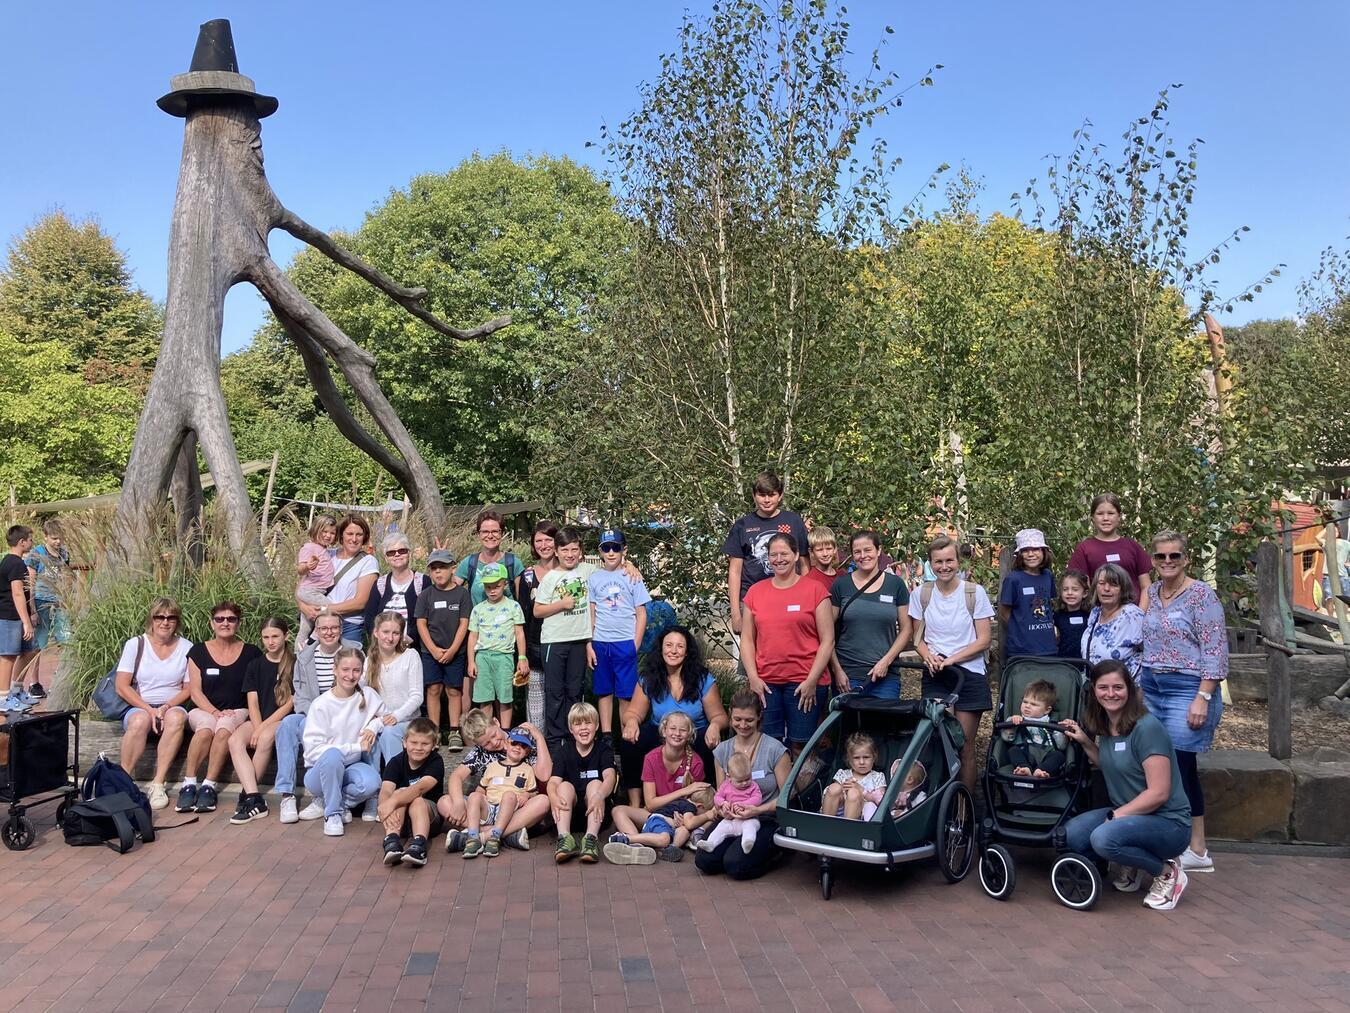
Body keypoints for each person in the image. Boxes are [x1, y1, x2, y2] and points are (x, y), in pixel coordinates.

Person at [1061, 660, 1194, 911]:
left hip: (1169, 823)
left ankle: (1167, 873)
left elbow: (1159, 792)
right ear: (1094, 690)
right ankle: (1133, 862)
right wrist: (1085, 742)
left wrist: (1116, 816)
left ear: (1129, 690)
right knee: (1071, 835)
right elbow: (1114, 765)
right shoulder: (1106, 724)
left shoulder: (1147, 728)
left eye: (1118, 687)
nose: (1111, 694)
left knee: (1103, 839)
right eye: (1103, 687)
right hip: (1132, 817)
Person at [1139, 530, 1227, 875]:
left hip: (1187, 687)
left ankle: (1198, 847)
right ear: (1153, 560)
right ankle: (1164, 838)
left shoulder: (1202, 595)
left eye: (1174, 555)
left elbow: (1215, 649)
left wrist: (1203, 696)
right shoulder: (1152, 592)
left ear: (1186, 558)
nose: (1167, 562)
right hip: (1152, 685)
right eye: (1161, 556)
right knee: (1154, 763)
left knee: (1181, 765)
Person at [908, 534, 995, 794]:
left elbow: (984, 640)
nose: (944, 567)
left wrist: (952, 659)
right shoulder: (922, 594)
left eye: (949, 561)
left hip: (968, 673)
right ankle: (937, 799)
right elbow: (917, 638)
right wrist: (928, 656)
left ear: (958, 561)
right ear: (930, 564)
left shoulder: (973, 593)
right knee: (939, 738)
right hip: (937, 675)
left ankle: (965, 804)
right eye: (938, 562)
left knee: (964, 744)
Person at [741, 532, 834, 755]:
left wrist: (812, 680)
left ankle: (805, 779)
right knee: (769, 746)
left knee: (802, 746)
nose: (779, 559)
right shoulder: (755, 592)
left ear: (795, 555)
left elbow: (828, 640)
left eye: (784, 554)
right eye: (773, 555)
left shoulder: (815, 590)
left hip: (805, 681)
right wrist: (753, 678)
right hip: (767, 683)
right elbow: (747, 640)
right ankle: (777, 780)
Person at [618, 627, 728, 806]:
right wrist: (631, 722)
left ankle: (707, 801)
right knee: (630, 741)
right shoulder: (649, 678)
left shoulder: (703, 679)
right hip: (662, 735)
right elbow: (633, 713)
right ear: (661, 648)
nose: (673, 651)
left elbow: (720, 716)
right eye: (669, 645)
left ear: (687, 652)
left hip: (694, 735)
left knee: (708, 740)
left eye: (679, 646)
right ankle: (635, 803)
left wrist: (715, 725)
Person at [695, 690, 793, 881]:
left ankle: (777, 853)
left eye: (749, 720)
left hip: (765, 817)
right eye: (737, 719)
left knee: (736, 865)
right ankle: (735, 852)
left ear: (759, 717)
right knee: (705, 860)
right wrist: (723, 808)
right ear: (730, 715)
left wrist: (757, 810)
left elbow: (787, 797)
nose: (742, 725)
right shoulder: (722, 751)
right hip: (732, 818)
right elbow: (722, 792)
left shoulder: (775, 749)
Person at [177, 601, 262, 814]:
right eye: (220, 619)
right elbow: (195, 692)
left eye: (231, 619)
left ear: (238, 623)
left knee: (224, 727)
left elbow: (254, 690)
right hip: (204, 709)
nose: (225, 623)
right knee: (205, 728)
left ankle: (209, 785)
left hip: (237, 709)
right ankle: (189, 783)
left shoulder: (251, 653)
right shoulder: (198, 651)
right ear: (212, 623)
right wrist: (214, 711)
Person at [275, 613, 360, 823]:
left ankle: (321, 796)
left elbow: (361, 688)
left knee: (309, 728)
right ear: (316, 631)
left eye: (334, 627)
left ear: (341, 629)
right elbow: (300, 696)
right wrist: (317, 716)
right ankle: (287, 795)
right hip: (312, 713)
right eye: (323, 628)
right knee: (288, 724)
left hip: (344, 714)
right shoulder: (305, 657)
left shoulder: (354, 652)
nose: (329, 632)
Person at [115, 598, 193, 810]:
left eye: (171, 618)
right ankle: (124, 780)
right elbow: (121, 685)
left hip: (171, 704)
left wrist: (165, 707)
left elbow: (189, 688)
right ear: (152, 619)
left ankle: (158, 783)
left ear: (177, 621)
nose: (165, 622)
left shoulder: (187, 647)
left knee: (176, 718)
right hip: (140, 704)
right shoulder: (136, 644)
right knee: (139, 721)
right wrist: (149, 710)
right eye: (160, 617)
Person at [440, 708, 552, 853]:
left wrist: (539, 738)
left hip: (516, 808)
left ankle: (480, 837)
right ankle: (505, 834)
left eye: (493, 735)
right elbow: (456, 776)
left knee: (543, 802)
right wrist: (458, 803)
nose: (494, 743)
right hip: (488, 808)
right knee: (444, 802)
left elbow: (544, 775)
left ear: (496, 722)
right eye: (486, 743)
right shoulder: (480, 752)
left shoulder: (519, 741)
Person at [299, 647, 385, 837]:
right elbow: (312, 752)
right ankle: (332, 814)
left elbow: (386, 717)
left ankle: (332, 801)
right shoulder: (321, 704)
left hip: (351, 767)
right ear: (335, 669)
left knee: (372, 783)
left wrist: (374, 725)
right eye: (345, 669)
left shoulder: (367, 695)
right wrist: (355, 747)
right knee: (332, 755)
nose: (350, 675)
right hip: (320, 772)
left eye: (356, 670)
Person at [605, 711, 711, 865]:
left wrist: (683, 816)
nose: (677, 733)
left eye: (682, 730)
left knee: (687, 827)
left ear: (689, 735)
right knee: (618, 810)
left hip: (679, 818)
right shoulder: (651, 758)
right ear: (664, 731)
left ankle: (635, 841)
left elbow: (696, 803)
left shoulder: (696, 762)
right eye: (672, 728)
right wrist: (684, 791)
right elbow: (650, 804)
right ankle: (636, 845)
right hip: (654, 813)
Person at [724, 470, 811, 641]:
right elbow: (734, 571)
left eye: (771, 495)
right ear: (753, 495)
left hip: (790, 598)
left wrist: (806, 598)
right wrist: (735, 613)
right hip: (751, 602)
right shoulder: (742, 525)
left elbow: (805, 563)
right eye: (761, 495)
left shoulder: (794, 521)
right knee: (751, 652)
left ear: (780, 495)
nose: (766, 500)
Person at [227, 616, 296, 824]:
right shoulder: (255, 665)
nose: (270, 642)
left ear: (286, 636)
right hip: (259, 719)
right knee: (234, 740)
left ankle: (248, 797)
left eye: (275, 636)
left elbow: (290, 703)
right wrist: (257, 727)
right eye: (266, 637)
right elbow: (253, 702)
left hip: (282, 719)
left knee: (265, 738)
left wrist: (261, 729)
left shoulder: (295, 663)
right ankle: (254, 797)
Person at [829, 530, 912, 700]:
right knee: (848, 718)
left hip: (885, 675)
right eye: (857, 552)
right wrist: (837, 670)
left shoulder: (895, 585)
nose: (863, 556)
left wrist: (886, 661)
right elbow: (826, 632)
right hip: (847, 674)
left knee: (883, 718)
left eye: (868, 550)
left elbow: (906, 629)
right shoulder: (841, 585)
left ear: (878, 550)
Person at [534, 527, 596, 748]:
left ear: (580, 551)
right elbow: (537, 611)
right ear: (557, 551)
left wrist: (629, 565)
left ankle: (573, 739)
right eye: (565, 550)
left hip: (579, 640)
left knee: (574, 691)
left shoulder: (588, 570)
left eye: (574, 549)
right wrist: (562, 604)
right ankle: (554, 741)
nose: (570, 554)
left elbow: (612, 567)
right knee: (555, 692)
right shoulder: (551, 578)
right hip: (554, 641)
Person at [587, 527, 650, 735]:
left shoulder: (632, 576)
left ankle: (626, 734)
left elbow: (641, 613)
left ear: (624, 550)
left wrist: (635, 644)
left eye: (615, 548)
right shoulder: (594, 578)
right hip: (601, 641)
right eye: (606, 548)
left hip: (625, 642)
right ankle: (606, 735)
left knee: (625, 693)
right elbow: (592, 613)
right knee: (604, 691)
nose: (611, 553)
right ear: (600, 551)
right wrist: (590, 642)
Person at [414, 548, 471, 750]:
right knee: (433, 689)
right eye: (434, 568)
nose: (438, 572)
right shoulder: (426, 595)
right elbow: (421, 623)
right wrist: (433, 649)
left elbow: (464, 623)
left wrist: (453, 649)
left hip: (455, 652)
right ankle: (434, 732)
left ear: (453, 568)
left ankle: (454, 731)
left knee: (454, 690)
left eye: (443, 567)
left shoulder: (462, 594)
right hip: (431, 652)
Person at [365, 611, 424, 799]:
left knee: (389, 733)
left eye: (395, 633)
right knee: (369, 735)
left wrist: (396, 716)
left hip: (406, 720)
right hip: (380, 720)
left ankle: (397, 791)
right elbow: (362, 695)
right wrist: (374, 722)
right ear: (376, 632)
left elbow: (417, 696)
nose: (390, 638)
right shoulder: (369, 661)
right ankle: (373, 795)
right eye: (385, 632)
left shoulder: (410, 656)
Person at [550, 701, 616, 865]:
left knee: (595, 784)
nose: (584, 728)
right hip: (569, 814)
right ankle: (565, 838)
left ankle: (590, 839)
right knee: (563, 786)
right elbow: (553, 782)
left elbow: (610, 777)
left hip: (597, 811)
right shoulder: (564, 751)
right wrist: (552, 797)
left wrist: (600, 795)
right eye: (578, 724)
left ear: (597, 726)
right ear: (571, 729)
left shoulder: (603, 749)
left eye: (588, 723)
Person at [299, 514, 378, 645]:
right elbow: (302, 586)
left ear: (364, 537)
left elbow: (360, 602)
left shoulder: (368, 562)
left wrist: (323, 611)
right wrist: (304, 607)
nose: (354, 539)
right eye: (350, 534)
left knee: (348, 658)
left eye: (359, 534)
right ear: (341, 535)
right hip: (317, 622)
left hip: (347, 625)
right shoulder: (326, 554)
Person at [377, 718, 446, 868]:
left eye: (425, 744)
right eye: (414, 743)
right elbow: (386, 790)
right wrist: (385, 807)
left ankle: (419, 845)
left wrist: (392, 802)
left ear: (434, 745)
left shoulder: (436, 761)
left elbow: (421, 787)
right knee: (398, 793)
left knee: (414, 798)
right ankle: (392, 840)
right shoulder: (396, 762)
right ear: (404, 742)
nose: (418, 748)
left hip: (429, 819)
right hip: (401, 820)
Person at [468, 563, 529, 729]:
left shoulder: (513, 606)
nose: (492, 590)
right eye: (488, 587)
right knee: (484, 699)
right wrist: (471, 661)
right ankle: (487, 733)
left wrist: (522, 657)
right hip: (482, 657)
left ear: (505, 584)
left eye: (497, 586)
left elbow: (520, 634)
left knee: (505, 698)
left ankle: (506, 732)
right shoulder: (478, 609)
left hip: (504, 656)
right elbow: (472, 636)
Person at [462, 728, 539, 859]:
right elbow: (481, 788)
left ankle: (495, 836)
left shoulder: (528, 769)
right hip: (489, 808)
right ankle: (473, 837)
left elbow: (534, 792)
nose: (518, 747)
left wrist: (526, 795)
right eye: (514, 743)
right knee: (474, 796)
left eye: (523, 746)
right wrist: (478, 800)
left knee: (509, 795)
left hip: (510, 811)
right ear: (507, 744)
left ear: (527, 752)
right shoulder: (492, 766)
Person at [1068, 493, 1153, 601]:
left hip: (1133, 609)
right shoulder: (1084, 549)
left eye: (1111, 513)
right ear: (1093, 518)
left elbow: (1146, 586)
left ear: (1119, 516)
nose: (1105, 518)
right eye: (1100, 514)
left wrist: (1141, 610)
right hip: (1099, 610)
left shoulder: (1132, 546)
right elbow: (1079, 588)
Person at [517, 521, 559, 729]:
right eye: (538, 541)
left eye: (548, 540)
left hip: (562, 645)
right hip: (534, 647)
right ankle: (537, 742)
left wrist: (628, 565)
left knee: (562, 699)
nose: (544, 545)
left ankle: (564, 744)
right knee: (536, 704)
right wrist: (522, 655)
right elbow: (521, 618)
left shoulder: (570, 572)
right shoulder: (526, 576)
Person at [23, 518, 72, 695]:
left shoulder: (64, 553)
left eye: (60, 538)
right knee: (38, 644)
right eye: (54, 538)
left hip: (59, 602)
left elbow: (65, 576)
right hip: (41, 602)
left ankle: (62, 678)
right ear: (45, 537)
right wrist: (32, 609)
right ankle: (34, 682)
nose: (58, 542)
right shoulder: (37, 554)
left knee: (67, 640)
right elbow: (30, 582)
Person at [362, 532, 425, 652]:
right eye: (391, 552)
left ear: (409, 553)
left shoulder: (422, 582)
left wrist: (409, 640)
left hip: (411, 649)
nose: (397, 555)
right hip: (383, 649)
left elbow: (427, 616)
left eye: (402, 551)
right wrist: (379, 641)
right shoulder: (380, 584)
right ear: (386, 558)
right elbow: (370, 617)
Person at [999, 528, 1058, 658]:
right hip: (1022, 650)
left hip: (1048, 647)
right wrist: (1021, 630)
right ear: (1019, 554)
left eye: (1036, 549)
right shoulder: (1013, 579)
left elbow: (1050, 604)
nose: (1031, 554)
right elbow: (1004, 613)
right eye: (1025, 550)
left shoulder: (1048, 576)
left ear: (1043, 551)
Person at [1083, 563, 1145, 680]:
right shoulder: (1095, 613)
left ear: (1123, 589)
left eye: (1113, 584)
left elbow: (1149, 652)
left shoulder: (1132, 615)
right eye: (1101, 583)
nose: (1106, 589)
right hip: (1097, 684)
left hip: (1126, 686)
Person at [999, 679, 1068, 777]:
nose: (1027, 706)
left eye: (1034, 704)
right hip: (1025, 752)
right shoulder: (1018, 719)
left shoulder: (1053, 722)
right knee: (1013, 750)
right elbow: (1007, 738)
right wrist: (1012, 725)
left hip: (1046, 753)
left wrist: (1062, 729)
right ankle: (1024, 768)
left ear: (1047, 710)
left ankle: (1041, 771)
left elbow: (1061, 746)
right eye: (1025, 702)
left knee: (1059, 755)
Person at [0, 526, 35, 713]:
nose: (32, 543)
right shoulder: (14, 564)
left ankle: (16, 689)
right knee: (8, 656)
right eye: (30, 540)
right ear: (22, 542)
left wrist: (31, 614)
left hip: (19, 616)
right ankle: (3, 698)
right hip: (10, 616)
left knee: (29, 651)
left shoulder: (18, 562)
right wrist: (26, 622)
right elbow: (17, 593)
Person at [696, 753, 762, 853]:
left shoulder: (753, 786)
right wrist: (723, 803)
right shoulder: (725, 786)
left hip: (749, 818)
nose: (745, 783)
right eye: (740, 781)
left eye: (748, 778)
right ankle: (711, 843)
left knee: (750, 827)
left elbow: (758, 798)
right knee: (720, 828)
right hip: (730, 819)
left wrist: (744, 804)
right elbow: (717, 797)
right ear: (729, 777)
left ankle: (747, 843)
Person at [456, 509, 524, 605]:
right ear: (479, 534)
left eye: (495, 531)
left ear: (502, 534)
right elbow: (450, 590)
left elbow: (522, 600)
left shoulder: (513, 563)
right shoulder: (469, 563)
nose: (490, 536)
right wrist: (442, 562)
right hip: (477, 614)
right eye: (485, 532)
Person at [294, 513, 337, 648]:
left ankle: (299, 652)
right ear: (316, 530)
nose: (328, 535)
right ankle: (314, 638)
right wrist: (307, 567)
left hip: (316, 592)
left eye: (332, 533)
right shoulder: (309, 547)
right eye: (324, 531)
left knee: (305, 628)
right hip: (311, 592)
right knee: (331, 610)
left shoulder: (326, 550)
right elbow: (300, 569)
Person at [821, 732, 887, 820]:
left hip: (859, 817)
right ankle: (825, 822)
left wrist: (861, 790)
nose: (862, 762)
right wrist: (843, 788)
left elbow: (881, 802)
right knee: (834, 788)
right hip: (838, 811)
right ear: (849, 759)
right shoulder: (842, 774)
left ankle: (847, 827)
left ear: (874, 757)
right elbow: (832, 794)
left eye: (866, 757)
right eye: (856, 758)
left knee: (853, 793)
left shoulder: (878, 777)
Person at [1053, 570, 1092, 659]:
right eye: (1065, 589)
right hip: (1063, 661)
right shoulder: (1057, 615)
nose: (1070, 593)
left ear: (1085, 593)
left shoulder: (1090, 615)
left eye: (1075, 589)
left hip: (1085, 661)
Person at [805, 525, 842, 592]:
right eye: (819, 550)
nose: (825, 554)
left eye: (829, 549)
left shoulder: (842, 575)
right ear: (811, 552)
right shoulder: (809, 581)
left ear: (835, 549)